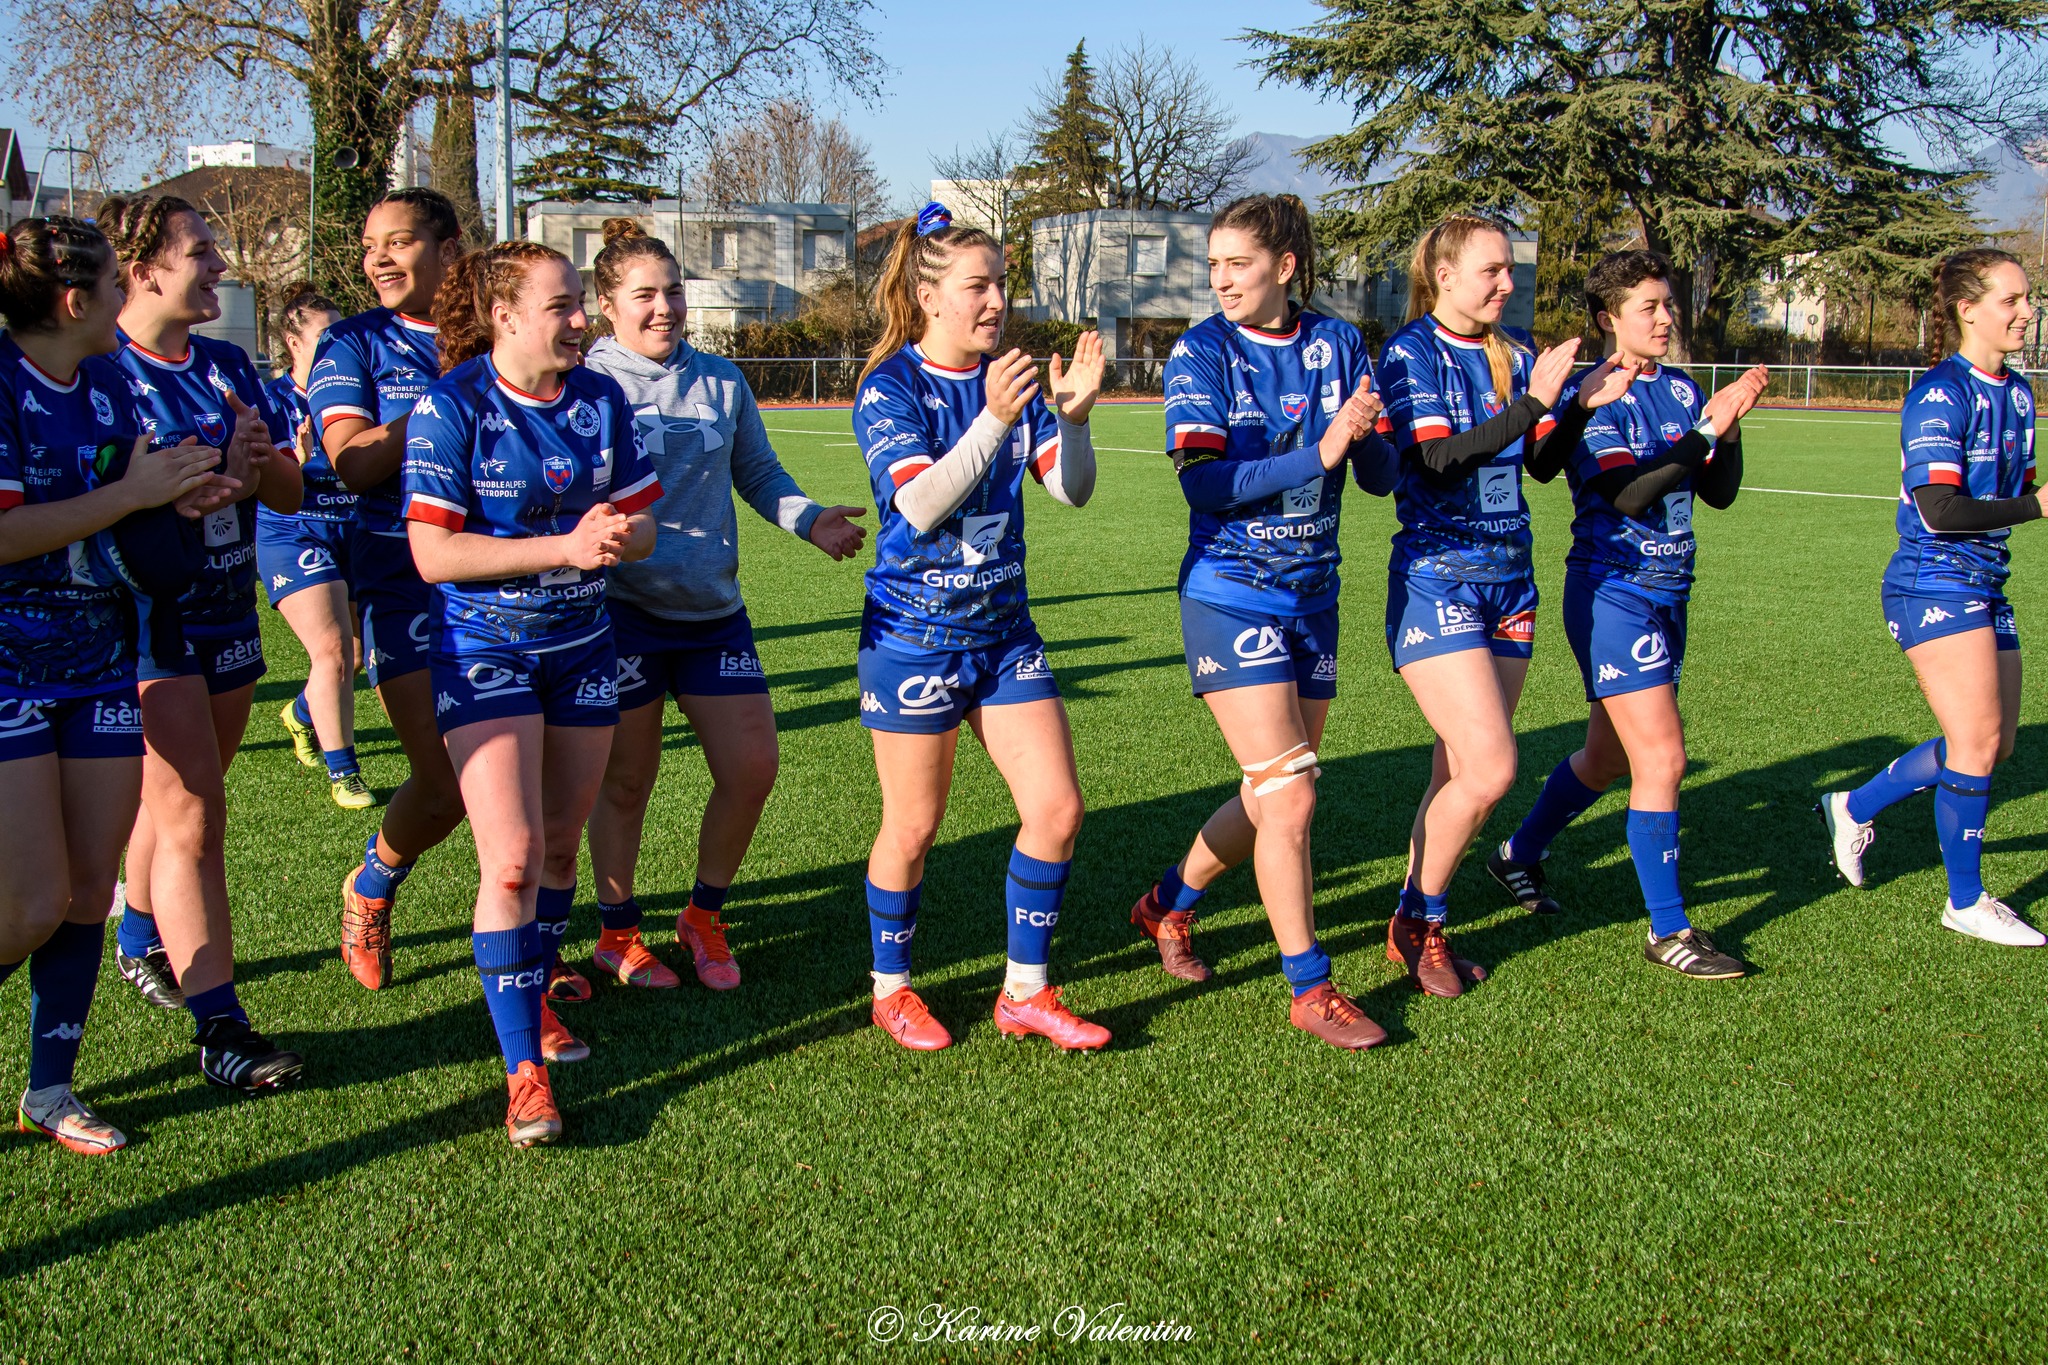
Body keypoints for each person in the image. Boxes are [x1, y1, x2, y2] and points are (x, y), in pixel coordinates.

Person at [404, 239, 661, 1145]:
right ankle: (523, 1074)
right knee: (509, 858)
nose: (582, 321)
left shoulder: (600, 398)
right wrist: (562, 547)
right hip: (485, 653)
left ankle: (540, 995)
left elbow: (644, 525)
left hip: (585, 649)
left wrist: (616, 538)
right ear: (506, 315)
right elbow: (433, 553)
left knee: (558, 852)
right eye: (562, 307)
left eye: (578, 306)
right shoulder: (452, 407)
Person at [1130, 193, 1398, 1049]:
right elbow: (1203, 484)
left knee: (1271, 794)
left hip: (1314, 597)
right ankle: (1310, 986)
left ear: (1285, 267)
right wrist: (1315, 452)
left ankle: (1167, 903)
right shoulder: (1200, 352)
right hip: (1229, 591)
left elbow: (1382, 477)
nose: (1221, 279)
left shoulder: (1338, 342)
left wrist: (1373, 429)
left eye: (1236, 263)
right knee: (1291, 798)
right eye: (1213, 265)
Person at [582, 219, 867, 991]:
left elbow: (759, 473)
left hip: (711, 609)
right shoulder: (584, 387)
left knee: (752, 767)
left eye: (673, 291)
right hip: (620, 613)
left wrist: (812, 522)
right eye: (644, 295)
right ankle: (616, 932)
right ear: (606, 303)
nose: (664, 308)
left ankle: (703, 914)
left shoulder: (719, 380)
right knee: (626, 782)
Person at [852, 203, 1108, 1052]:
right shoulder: (891, 385)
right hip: (913, 636)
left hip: (1003, 635)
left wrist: (1070, 419)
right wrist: (994, 418)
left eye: (1002, 282)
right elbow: (920, 504)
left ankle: (1024, 991)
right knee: (914, 827)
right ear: (929, 296)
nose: (997, 299)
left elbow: (1069, 490)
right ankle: (892, 988)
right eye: (978, 285)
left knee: (1059, 808)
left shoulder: (1012, 375)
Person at [0, 216, 230, 1154]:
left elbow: (123, 503)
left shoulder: (103, 382)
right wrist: (132, 497)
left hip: (100, 661)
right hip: (9, 668)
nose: (128, 300)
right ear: (75, 301)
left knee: (89, 890)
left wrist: (184, 493)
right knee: (25, 903)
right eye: (113, 285)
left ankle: (51, 1091)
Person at [1491, 249, 1768, 977]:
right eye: (1648, 306)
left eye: (1667, 303)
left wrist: (1727, 428)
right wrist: (1707, 431)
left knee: (1609, 757)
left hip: (1672, 590)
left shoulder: (1680, 387)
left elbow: (1718, 493)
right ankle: (1668, 930)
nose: (1665, 317)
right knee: (1663, 758)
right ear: (1610, 318)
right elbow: (1629, 495)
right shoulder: (1596, 391)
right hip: (1613, 592)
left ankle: (1516, 852)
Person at [101, 194, 306, 1091]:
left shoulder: (228, 363)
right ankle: (221, 1027)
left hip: (227, 607)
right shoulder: (104, 367)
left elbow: (294, 495)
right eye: (201, 250)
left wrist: (253, 466)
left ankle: (138, 926)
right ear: (143, 268)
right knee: (193, 815)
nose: (220, 264)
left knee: (188, 796)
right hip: (144, 617)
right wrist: (160, 492)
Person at [1377, 214, 1601, 997]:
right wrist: (1532, 404)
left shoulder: (1517, 352)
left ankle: (1414, 916)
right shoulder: (1412, 353)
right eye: (1492, 272)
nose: (1508, 284)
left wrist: (1573, 407)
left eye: (1510, 270)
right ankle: (1423, 920)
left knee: (1458, 767)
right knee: (1494, 766)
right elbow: (1436, 460)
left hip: (1512, 582)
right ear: (1444, 276)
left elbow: (1537, 462)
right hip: (1440, 581)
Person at [1819, 248, 2042, 945]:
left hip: (1983, 579)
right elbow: (1942, 510)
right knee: (1974, 742)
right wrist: (2038, 506)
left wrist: (2028, 502)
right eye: (2012, 300)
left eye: (2029, 298)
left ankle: (1853, 805)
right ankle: (1965, 900)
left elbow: (2008, 492)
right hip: (1931, 580)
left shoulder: (2020, 392)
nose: (2027, 312)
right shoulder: (1941, 394)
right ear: (1967, 309)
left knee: (1995, 744)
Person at [313, 188, 470, 991]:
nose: (377, 258)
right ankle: (373, 881)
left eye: (398, 241)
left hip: (502, 580)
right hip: (402, 579)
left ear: (448, 248)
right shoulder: (353, 343)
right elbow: (352, 460)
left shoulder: (491, 330)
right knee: (444, 783)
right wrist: (452, 404)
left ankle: (536, 960)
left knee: (532, 783)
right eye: (370, 244)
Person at [258, 283, 369, 809]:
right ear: (291, 340)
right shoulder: (273, 399)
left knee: (357, 654)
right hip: (292, 529)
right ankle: (344, 771)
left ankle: (302, 712)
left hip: (353, 528)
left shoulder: (353, 393)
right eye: (324, 335)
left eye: (340, 334)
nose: (334, 345)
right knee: (330, 651)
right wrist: (293, 465)